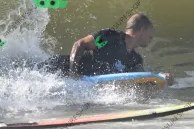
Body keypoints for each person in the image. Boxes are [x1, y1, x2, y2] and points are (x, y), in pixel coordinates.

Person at [42, 13, 174, 86]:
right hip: (57, 68)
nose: (152, 37)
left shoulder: (134, 60)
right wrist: (73, 74)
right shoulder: (109, 38)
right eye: (151, 32)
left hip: (78, 83)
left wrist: (162, 79)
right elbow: (79, 44)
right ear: (142, 30)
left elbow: (142, 81)